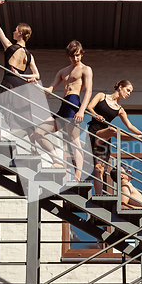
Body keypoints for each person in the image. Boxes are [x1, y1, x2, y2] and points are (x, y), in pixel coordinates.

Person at [32, 40, 93, 181]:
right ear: (68, 56)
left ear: (81, 54)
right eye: (72, 56)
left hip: (73, 104)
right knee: (38, 132)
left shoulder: (86, 69)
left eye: (78, 55)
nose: (75, 58)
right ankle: (57, 161)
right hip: (63, 106)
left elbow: (88, 91)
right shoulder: (63, 71)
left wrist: (81, 111)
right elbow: (49, 90)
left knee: (74, 141)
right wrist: (37, 86)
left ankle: (77, 176)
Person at [87, 80, 142, 195]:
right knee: (112, 130)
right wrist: (96, 115)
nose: (129, 94)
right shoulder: (101, 96)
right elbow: (89, 107)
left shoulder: (120, 110)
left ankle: (98, 196)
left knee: (99, 168)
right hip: (95, 131)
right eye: (128, 90)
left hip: (105, 137)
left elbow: (130, 126)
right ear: (120, 87)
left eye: (130, 92)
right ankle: (139, 138)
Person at [0, 0, 40, 152]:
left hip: (9, 83)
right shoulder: (29, 55)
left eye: (16, 30)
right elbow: (36, 75)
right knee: (26, 118)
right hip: (22, 87)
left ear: (21, 33)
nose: (13, 32)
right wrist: (23, 77)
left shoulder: (10, 47)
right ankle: (33, 147)